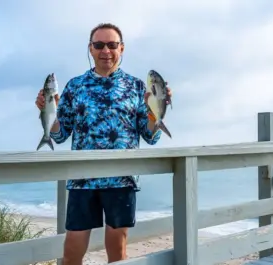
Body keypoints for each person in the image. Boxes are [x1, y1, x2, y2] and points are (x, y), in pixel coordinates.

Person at [35, 23, 173, 265]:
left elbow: (150, 135)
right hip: (82, 179)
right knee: (71, 252)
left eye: (112, 45)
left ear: (122, 48)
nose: (105, 51)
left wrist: (157, 110)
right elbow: (60, 134)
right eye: (99, 45)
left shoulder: (137, 87)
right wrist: (48, 111)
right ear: (90, 49)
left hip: (121, 178)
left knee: (117, 253)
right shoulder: (75, 86)